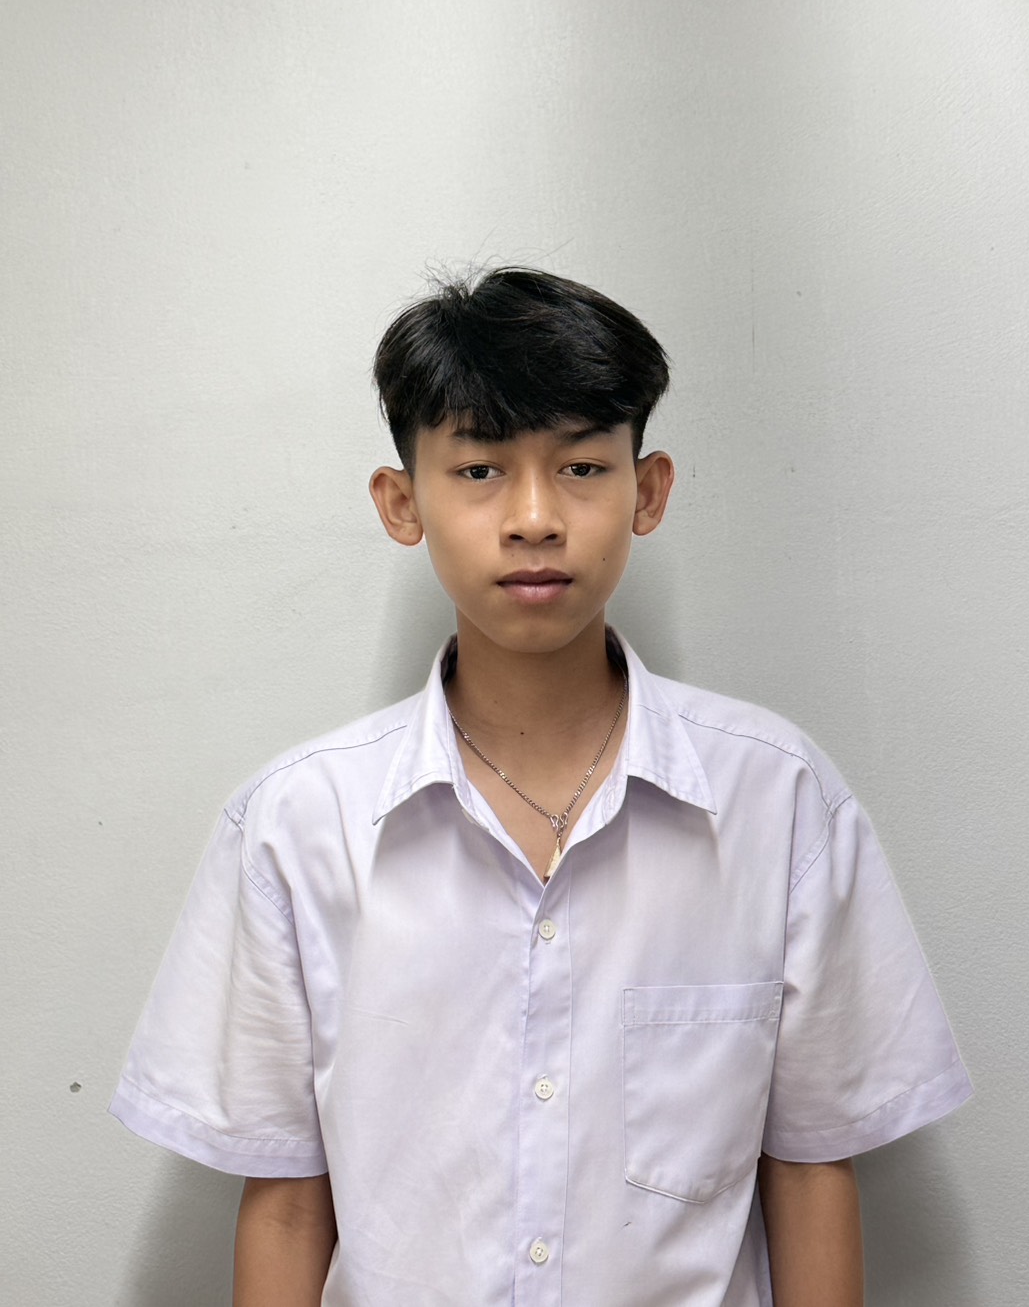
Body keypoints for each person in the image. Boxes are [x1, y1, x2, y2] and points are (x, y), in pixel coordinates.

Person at [110, 267, 972, 1306]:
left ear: (648, 490)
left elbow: (811, 1168)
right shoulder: (296, 826)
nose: (532, 517)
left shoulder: (776, 801)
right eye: (479, 469)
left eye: (580, 467)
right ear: (401, 502)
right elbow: (290, 1204)